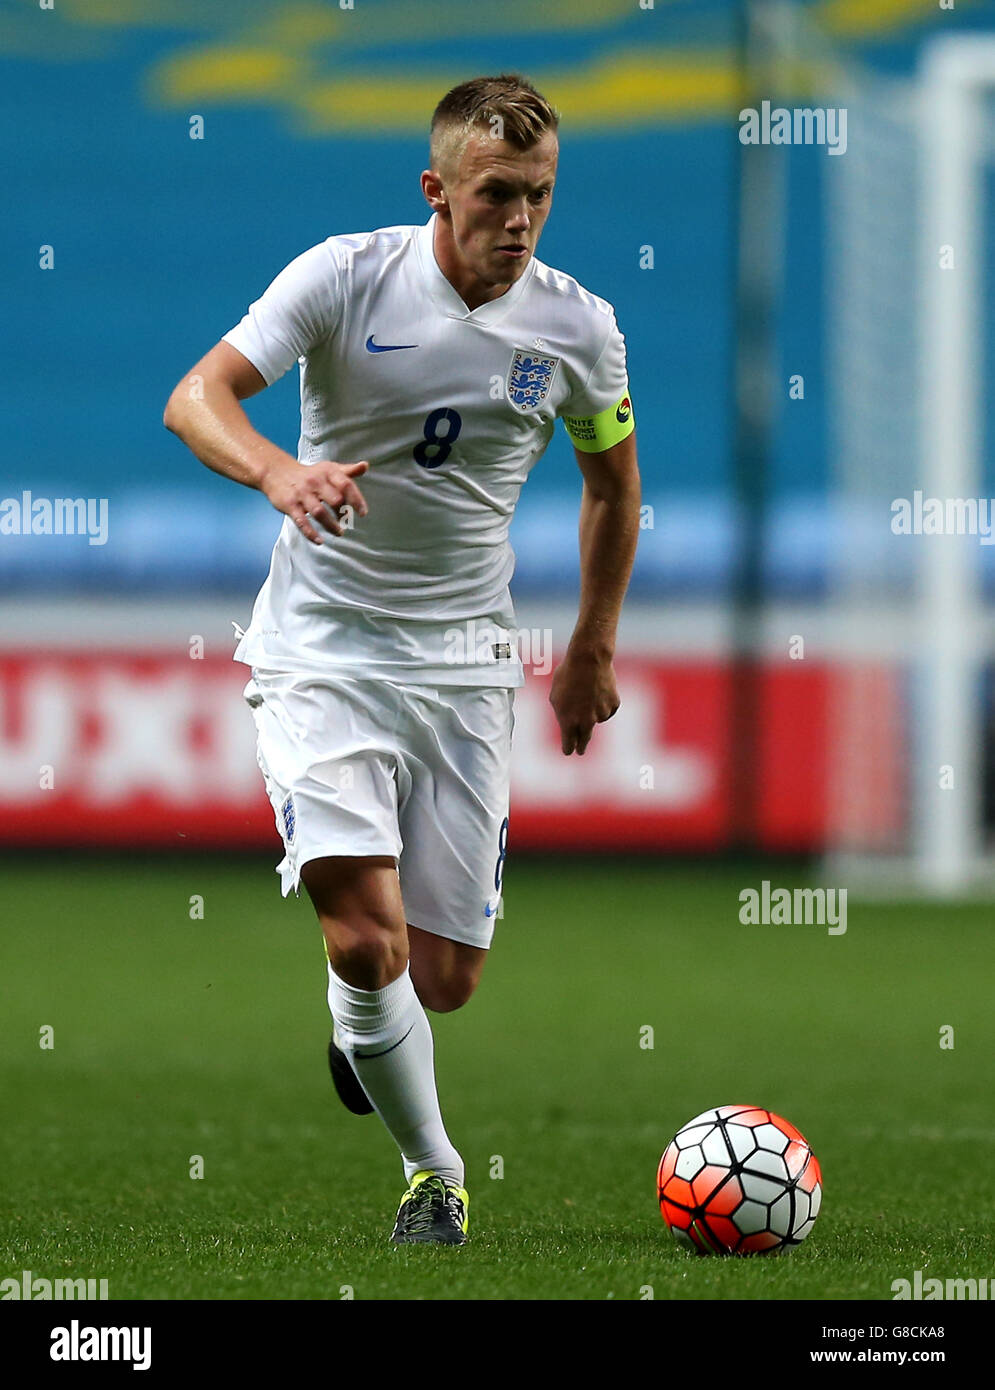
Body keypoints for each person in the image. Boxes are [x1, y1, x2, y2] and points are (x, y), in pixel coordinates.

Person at [164, 72, 640, 1245]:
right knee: (362, 937)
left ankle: (360, 1020)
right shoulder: (344, 276)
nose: (517, 222)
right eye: (493, 196)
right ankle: (436, 1173)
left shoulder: (575, 327)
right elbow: (196, 396)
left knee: (440, 979)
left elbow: (610, 486)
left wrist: (588, 644)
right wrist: (281, 473)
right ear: (436, 189)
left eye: (537, 196)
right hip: (322, 647)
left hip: (469, 660)